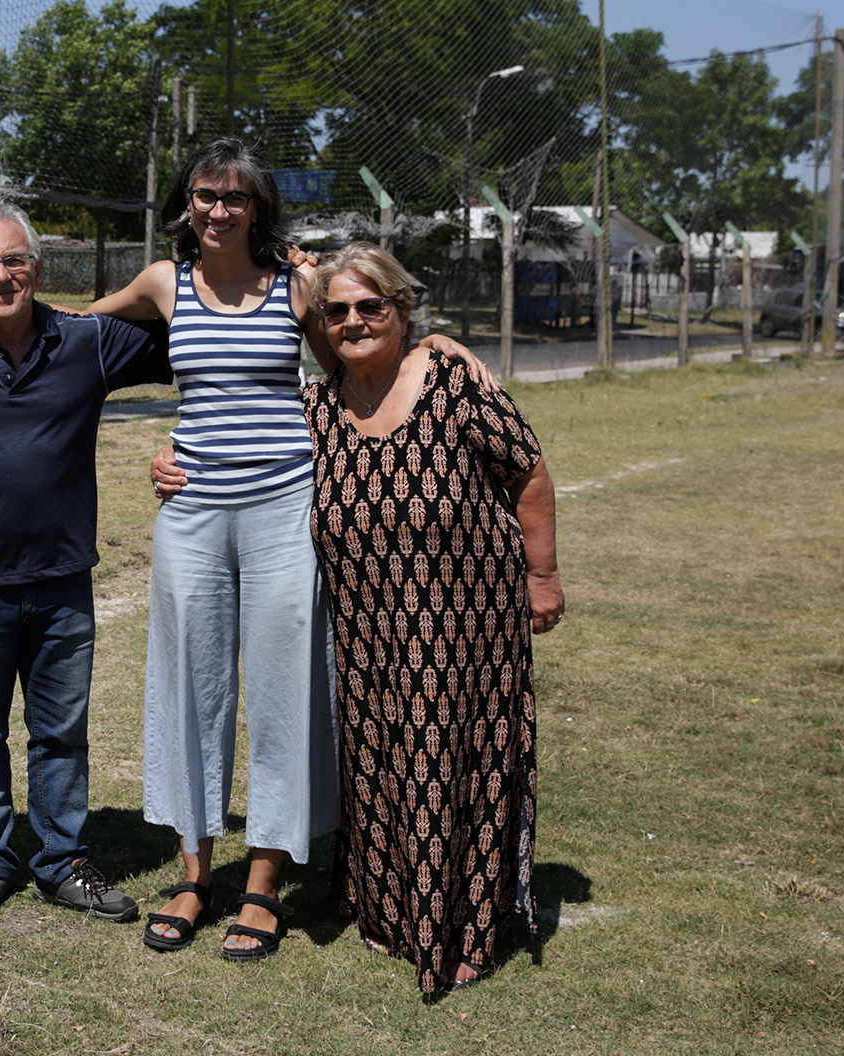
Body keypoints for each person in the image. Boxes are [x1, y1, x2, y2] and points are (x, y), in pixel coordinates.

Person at [99, 138, 491, 961]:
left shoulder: (298, 286)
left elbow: (355, 362)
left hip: (286, 507)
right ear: (186, 203)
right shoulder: (164, 283)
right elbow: (67, 326)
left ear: (257, 208)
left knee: (285, 693)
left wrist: (434, 351)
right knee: (188, 688)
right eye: (206, 195)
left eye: (235, 197)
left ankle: (264, 884)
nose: (218, 210)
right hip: (192, 510)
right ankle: (194, 873)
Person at [0, 200, 168, 927]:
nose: (1, 274)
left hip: (61, 579)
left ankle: (61, 861)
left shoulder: (88, 342)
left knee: (60, 733)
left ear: (38, 269)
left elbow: (197, 338)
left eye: (14, 260)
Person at [301, 243, 563, 998]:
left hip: (467, 634)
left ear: (403, 308)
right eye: (337, 310)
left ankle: (465, 927)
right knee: (381, 768)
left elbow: (529, 470)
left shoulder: (454, 382)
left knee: (461, 769)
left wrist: (541, 575)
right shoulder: (316, 408)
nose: (354, 321)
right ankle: (390, 910)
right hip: (365, 639)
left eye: (370, 305)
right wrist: (169, 457)